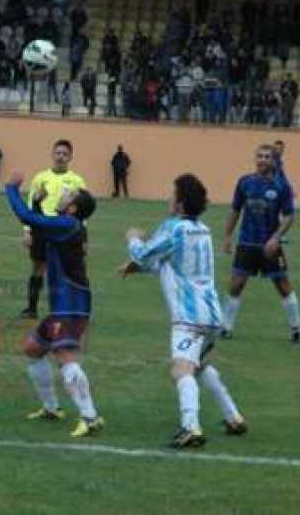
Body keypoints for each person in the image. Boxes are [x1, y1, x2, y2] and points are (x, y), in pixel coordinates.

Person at [120, 174, 247, 449]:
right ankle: (233, 416)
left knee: (181, 370)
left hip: (188, 317)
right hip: (212, 314)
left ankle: (191, 427)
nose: (169, 198)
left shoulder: (174, 228)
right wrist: (139, 267)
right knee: (201, 366)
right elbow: (171, 264)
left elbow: (144, 253)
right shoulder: (203, 230)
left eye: (172, 193)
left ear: (180, 203)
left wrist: (133, 239)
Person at [5, 171, 104, 438]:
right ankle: (52, 408)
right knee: (33, 349)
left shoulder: (68, 225)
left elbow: (27, 220)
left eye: (68, 194)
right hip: (63, 305)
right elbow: (39, 228)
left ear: (72, 207)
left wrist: (12, 188)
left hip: (71, 306)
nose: (63, 193)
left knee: (65, 357)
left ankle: (90, 417)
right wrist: (37, 203)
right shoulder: (65, 224)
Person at [222, 145, 300, 343]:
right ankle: (225, 328)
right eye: (259, 156)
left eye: (267, 157)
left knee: (283, 285)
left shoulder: (282, 186)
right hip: (247, 243)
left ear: (273, 161)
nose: (262, 160)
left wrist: (275, 238)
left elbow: (289, 216)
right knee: (236, 285)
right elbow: (235, 210)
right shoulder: (245, 182)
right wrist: (227, 236)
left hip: (270, 245)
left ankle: (296, 329)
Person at [21, 140, 87, 319]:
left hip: (65, 231)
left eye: (65, 154)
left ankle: (64, 310)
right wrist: (27, 230)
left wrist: (83, 237)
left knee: (64, 271)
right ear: (52, 154)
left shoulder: (77, 181)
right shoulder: (40, 178)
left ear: (70, 157)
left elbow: (82, 210)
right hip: (42, 227)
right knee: (37, 267)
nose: (61, 157)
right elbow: (30, 205)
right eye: (58, 153)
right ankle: (31, 309)